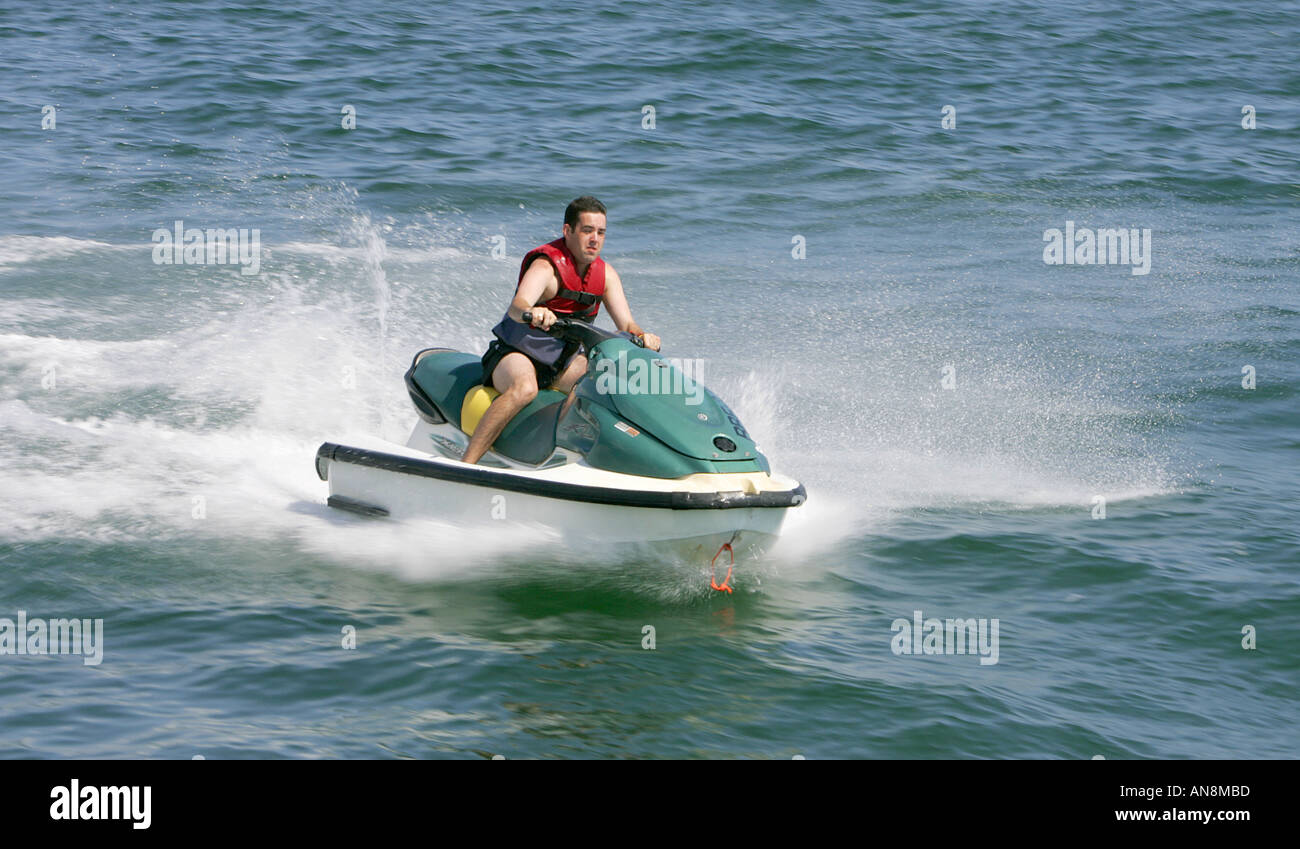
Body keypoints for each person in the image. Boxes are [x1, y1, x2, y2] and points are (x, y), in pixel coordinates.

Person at [461, 196, 661, 465]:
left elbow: (626, 325)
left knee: (605, 385)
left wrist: (642, 335)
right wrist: (535, 312)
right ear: (568, 231)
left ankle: (570, 459)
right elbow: (517, 307)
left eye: (601, 232)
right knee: (524, 388)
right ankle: (468, 463)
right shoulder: (546, 268)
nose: (595, 239)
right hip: (516, 354)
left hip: (561, 361)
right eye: (587, 230)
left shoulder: (606, 276)